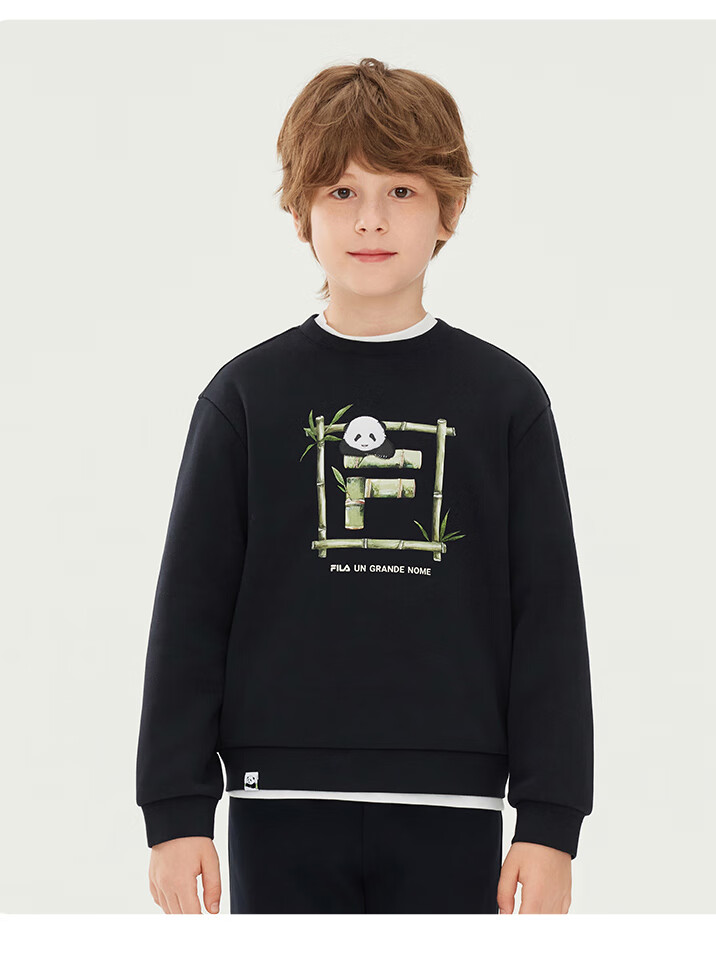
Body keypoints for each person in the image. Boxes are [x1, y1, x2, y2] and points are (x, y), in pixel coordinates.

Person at [136, 56, 594, 915]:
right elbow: (191, 609)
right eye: (342, 191)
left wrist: (550, 819)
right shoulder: (246, 397)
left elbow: (547, 618)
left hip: (457, 806)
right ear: (300, 211)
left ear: (449, 209)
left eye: (402, 191)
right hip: (279, 801)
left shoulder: (505, 400)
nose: (371, 219)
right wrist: (175, 807)